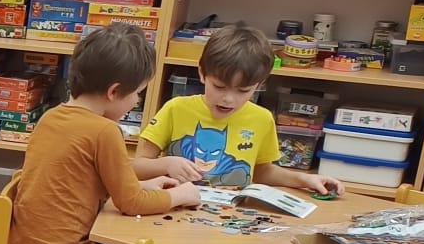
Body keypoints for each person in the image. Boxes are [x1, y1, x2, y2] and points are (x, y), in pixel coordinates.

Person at [1, 23, 224, 244]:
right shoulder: (105, 131)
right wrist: (180, 196)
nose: (136, 102)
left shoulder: (52, 116)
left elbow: (90, 179)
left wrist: (151, 180)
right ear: (113, 92)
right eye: (137, 94)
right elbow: (130, 202)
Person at [138, 24, 342, 196]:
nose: (228, 99)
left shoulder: (262, 119)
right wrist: (166, 164)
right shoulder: (176, 109)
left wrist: (305, 179)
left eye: (243, 90)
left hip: (231, 217)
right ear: (202, 73)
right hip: (176, 208)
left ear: (259, 84)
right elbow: (135, 167)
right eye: (219, 86)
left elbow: (262, 171)